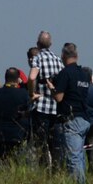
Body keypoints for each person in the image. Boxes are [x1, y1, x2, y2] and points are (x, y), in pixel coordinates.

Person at [52, 43, 93, 184]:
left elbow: (59, 98)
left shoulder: (65, 73)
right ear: (76, 57)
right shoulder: (83, 74)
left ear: (63, 56)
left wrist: (52, 88)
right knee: (80, 156)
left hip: (72, 120)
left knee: (73, 158)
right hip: (85, 119)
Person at [28, 32, 63, 170]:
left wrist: (31, 93)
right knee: (55, 144)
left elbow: (31, 78)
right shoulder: (58, 60)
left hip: (41, 106)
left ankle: (44, 170)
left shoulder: (38, 58)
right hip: (56, 106)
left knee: (41, 144)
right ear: (51, 44)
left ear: (38, 44)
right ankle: (56, 170)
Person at [0, 68, 33, 166]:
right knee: (18, 162)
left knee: (4, 163)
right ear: (18, 79)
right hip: (18, 135)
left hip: (0, 135)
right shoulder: (23, 94)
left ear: (5, 78)